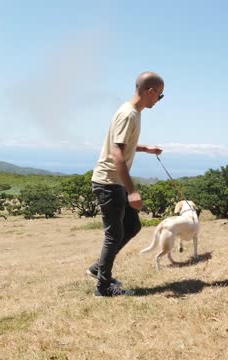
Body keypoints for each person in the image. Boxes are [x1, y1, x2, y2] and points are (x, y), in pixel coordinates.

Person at [87, 71, 164, 297]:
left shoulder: (134, 113)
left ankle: (98, 269)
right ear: (150, 91)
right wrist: (132, 191)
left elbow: (123, 144)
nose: (159, 100)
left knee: (132, 227)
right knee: (114, 234)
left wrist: (144, 148)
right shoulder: (129, 114)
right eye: (160, 95)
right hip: (108, 182)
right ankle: (103, 287)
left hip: (114, 182)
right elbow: (116, 154)